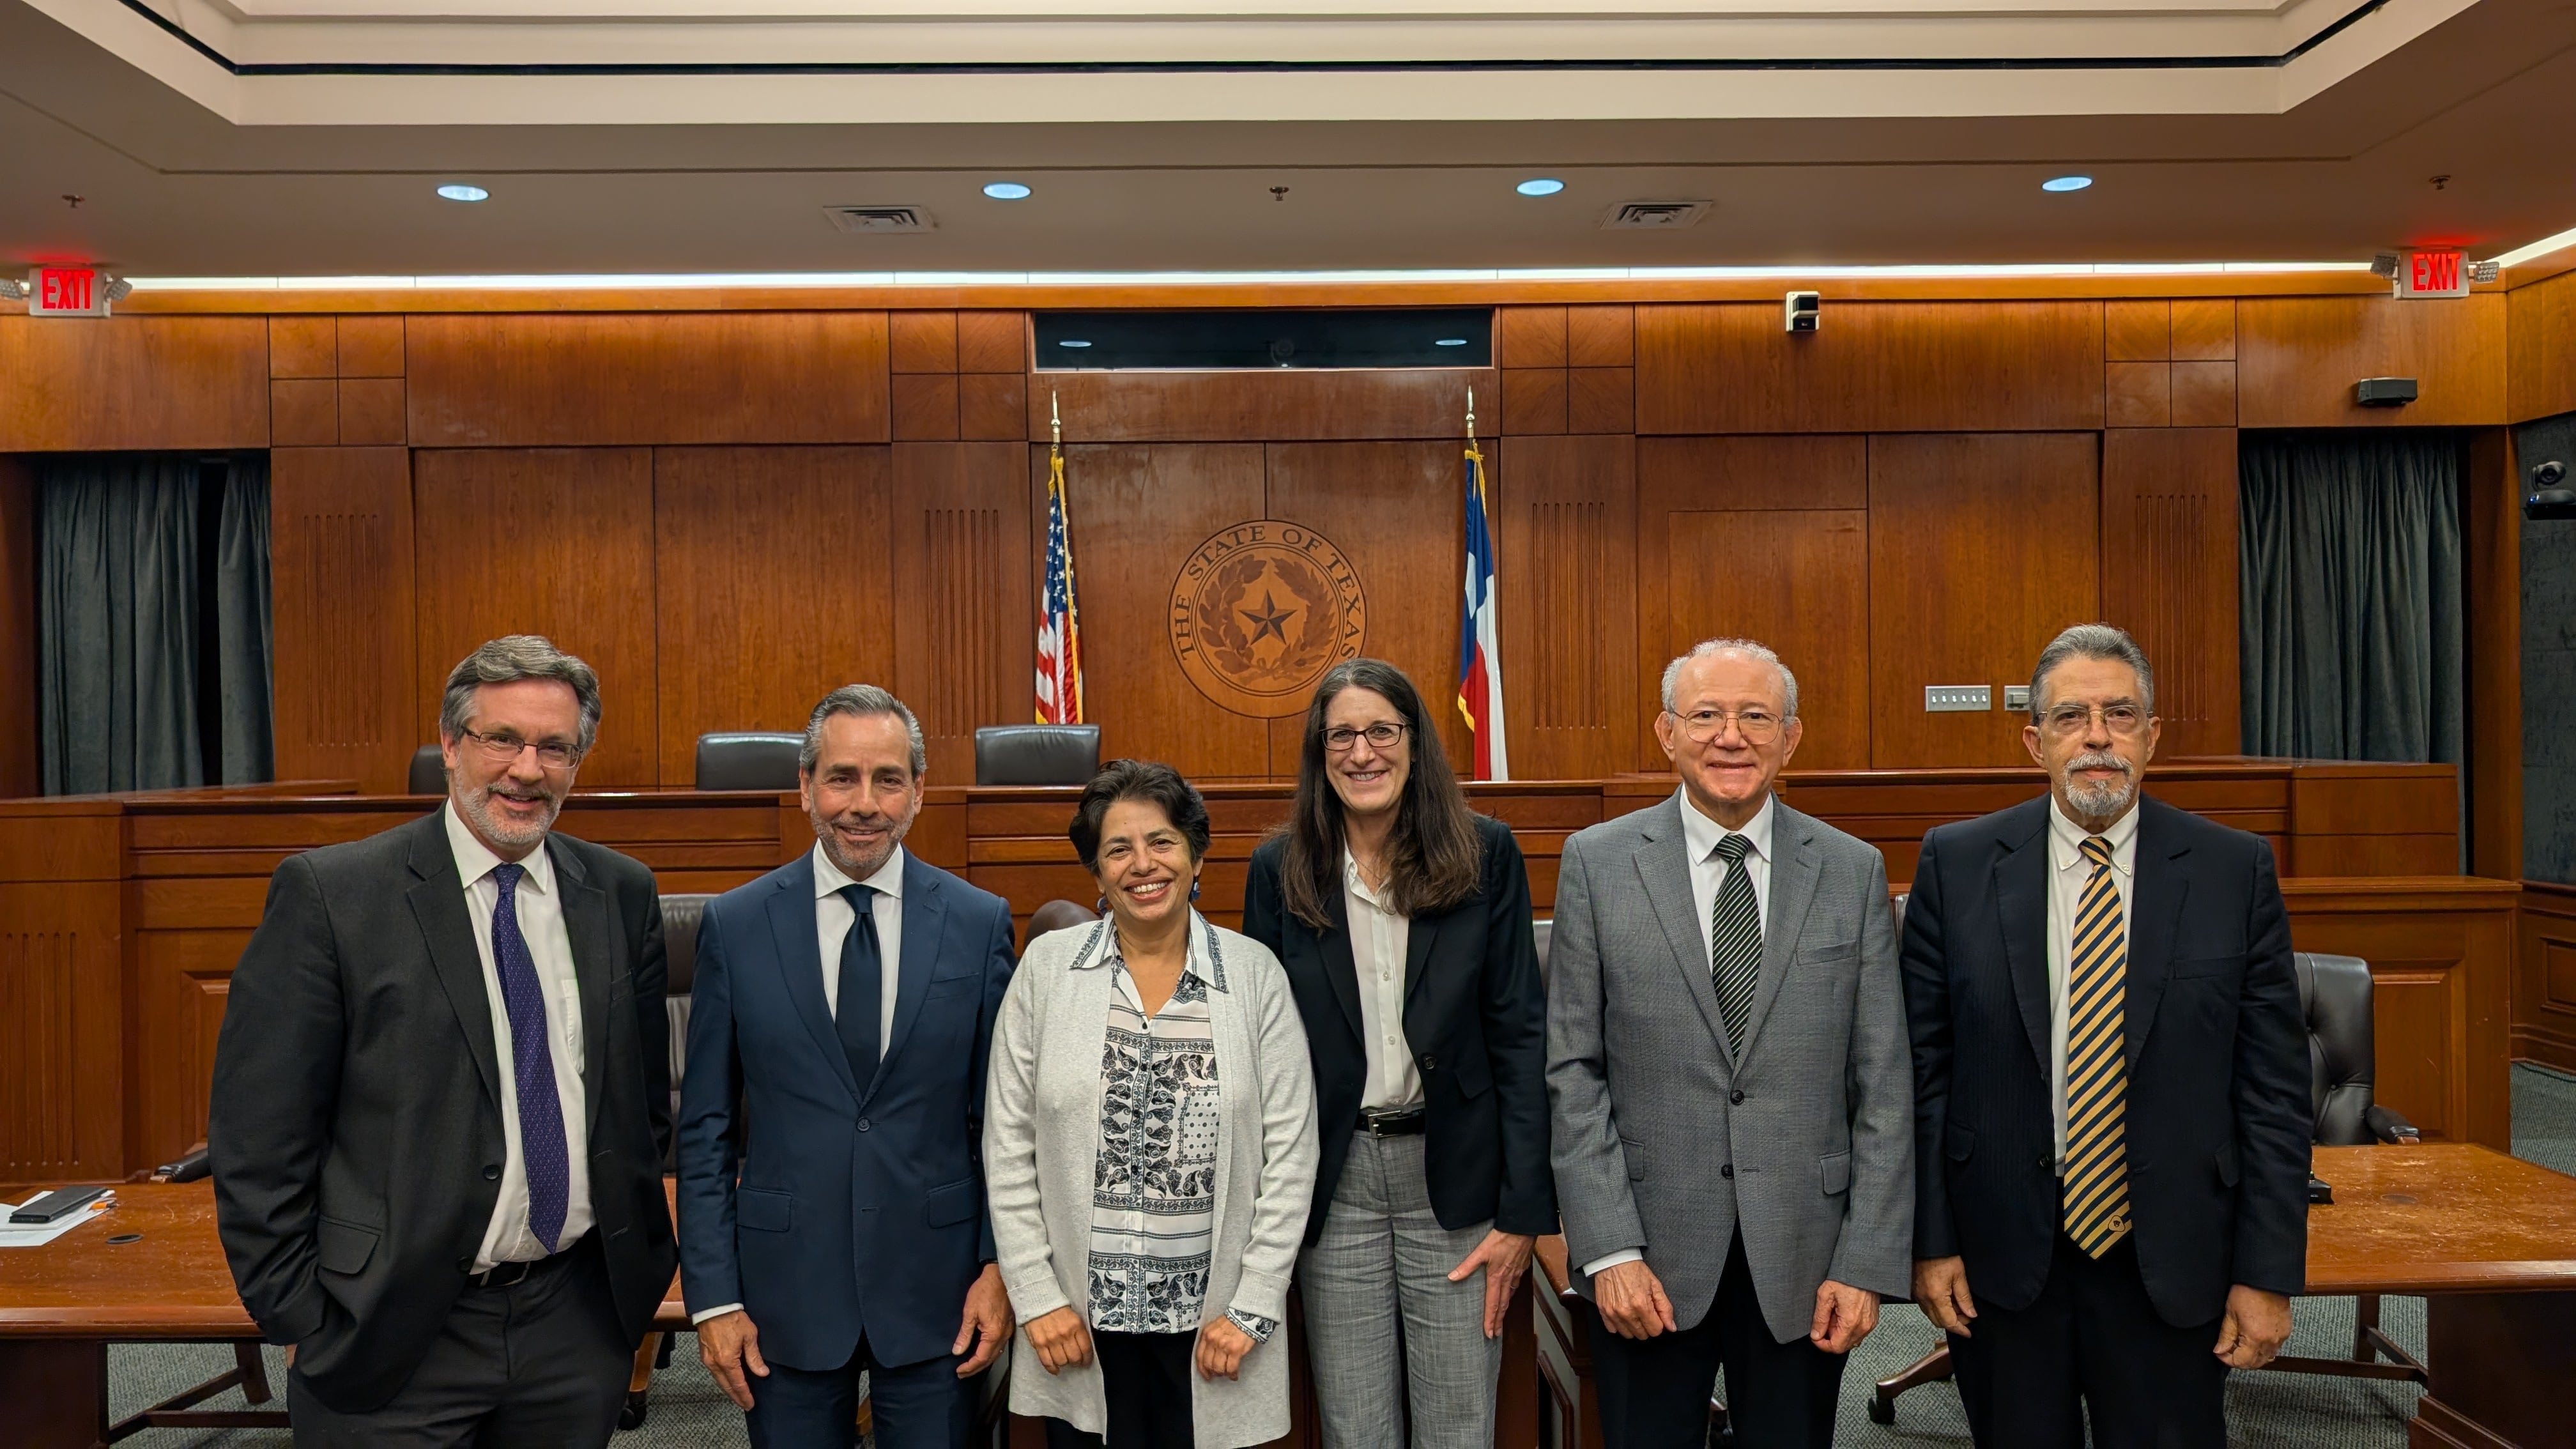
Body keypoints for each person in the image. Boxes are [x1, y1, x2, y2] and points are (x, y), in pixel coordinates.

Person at [210, 635, 679, 1445]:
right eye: (503, 739)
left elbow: (638, 1108)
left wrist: (624, 1294)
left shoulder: (619, 892)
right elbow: (261, 1136)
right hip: (389, 1328)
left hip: (574, 1323)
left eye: (555, 748)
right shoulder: (334, 896)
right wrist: (300, 1317)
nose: (527, 770)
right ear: (453, 743)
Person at [1903, 624, 2307, 1448]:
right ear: (2034, 742)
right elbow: (1923, 1074)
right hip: (2003, 1260)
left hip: (2174, 1260)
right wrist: (1930, 1244)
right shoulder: (1957, 863)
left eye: (2120, 715)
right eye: (2071, 717)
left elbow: (2273, 1092)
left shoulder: (2235, 870)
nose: (2097, 737)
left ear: (2151, 738)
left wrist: (2267, 1275)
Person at [1548, 637, 1912, 1449]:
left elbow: (1883, 1085)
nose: (1731, 736)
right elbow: (1573, 1072)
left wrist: (1866, 1262)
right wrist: (1608, 1250)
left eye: (1757, 716)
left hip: (1807, 1260)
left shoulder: (1851, 871)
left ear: (1791, 737)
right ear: (1666, 733)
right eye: (1706, 715)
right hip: (1647, 1255)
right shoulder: (1598, 864)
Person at [676, 685, 1018, 1449]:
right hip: (781, 1297)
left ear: (919, 791)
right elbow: (703, 1129)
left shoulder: (978, 920)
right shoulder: (736, 924)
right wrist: (714, 1298)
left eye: (888, 779)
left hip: (943, 1293)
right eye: (842, 778)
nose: (864, 803)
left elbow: (1004, 1121)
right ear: (804, 788)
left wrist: (1002, 1267)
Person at [1241, 659, 1552, 1449]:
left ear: (1415, 743)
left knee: (1456, 1425)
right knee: (1356, 1428)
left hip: (1454, 1179)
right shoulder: (1280, 870)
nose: (1361, 752)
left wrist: (1522, 1218)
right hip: (1334, 1179)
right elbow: (1261, 1051)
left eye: (1382, 730)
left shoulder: (1486, 854)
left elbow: (1520, 1036)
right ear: (1319, 752)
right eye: (1340, 735)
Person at [985, 760, 1319, 1449]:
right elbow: (1008, 1146)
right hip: (1078, 1327)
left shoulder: (1254, 976)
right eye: (1118, 849)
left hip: (1214, 1331)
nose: (1144, 864)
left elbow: (1292, 1155)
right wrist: (1039, 1298)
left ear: (1197, 855)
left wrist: (1253, 1305)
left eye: (1163, 842)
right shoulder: (1048, 970)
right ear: (1097, 873)